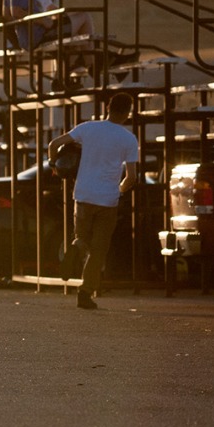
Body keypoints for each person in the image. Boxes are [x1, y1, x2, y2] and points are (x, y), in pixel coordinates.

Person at [47, 93, 139, 310]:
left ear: (108, 107)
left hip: (83, 195)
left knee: (82, 237)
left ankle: (76, 245)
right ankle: (85, 292)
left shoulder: (88, 128)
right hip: (107, 200)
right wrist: (119, 191)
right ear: (128, 112)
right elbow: (132, 176)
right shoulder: (128, 139)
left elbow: (55, 143)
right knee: (98, 250)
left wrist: (53, 164)